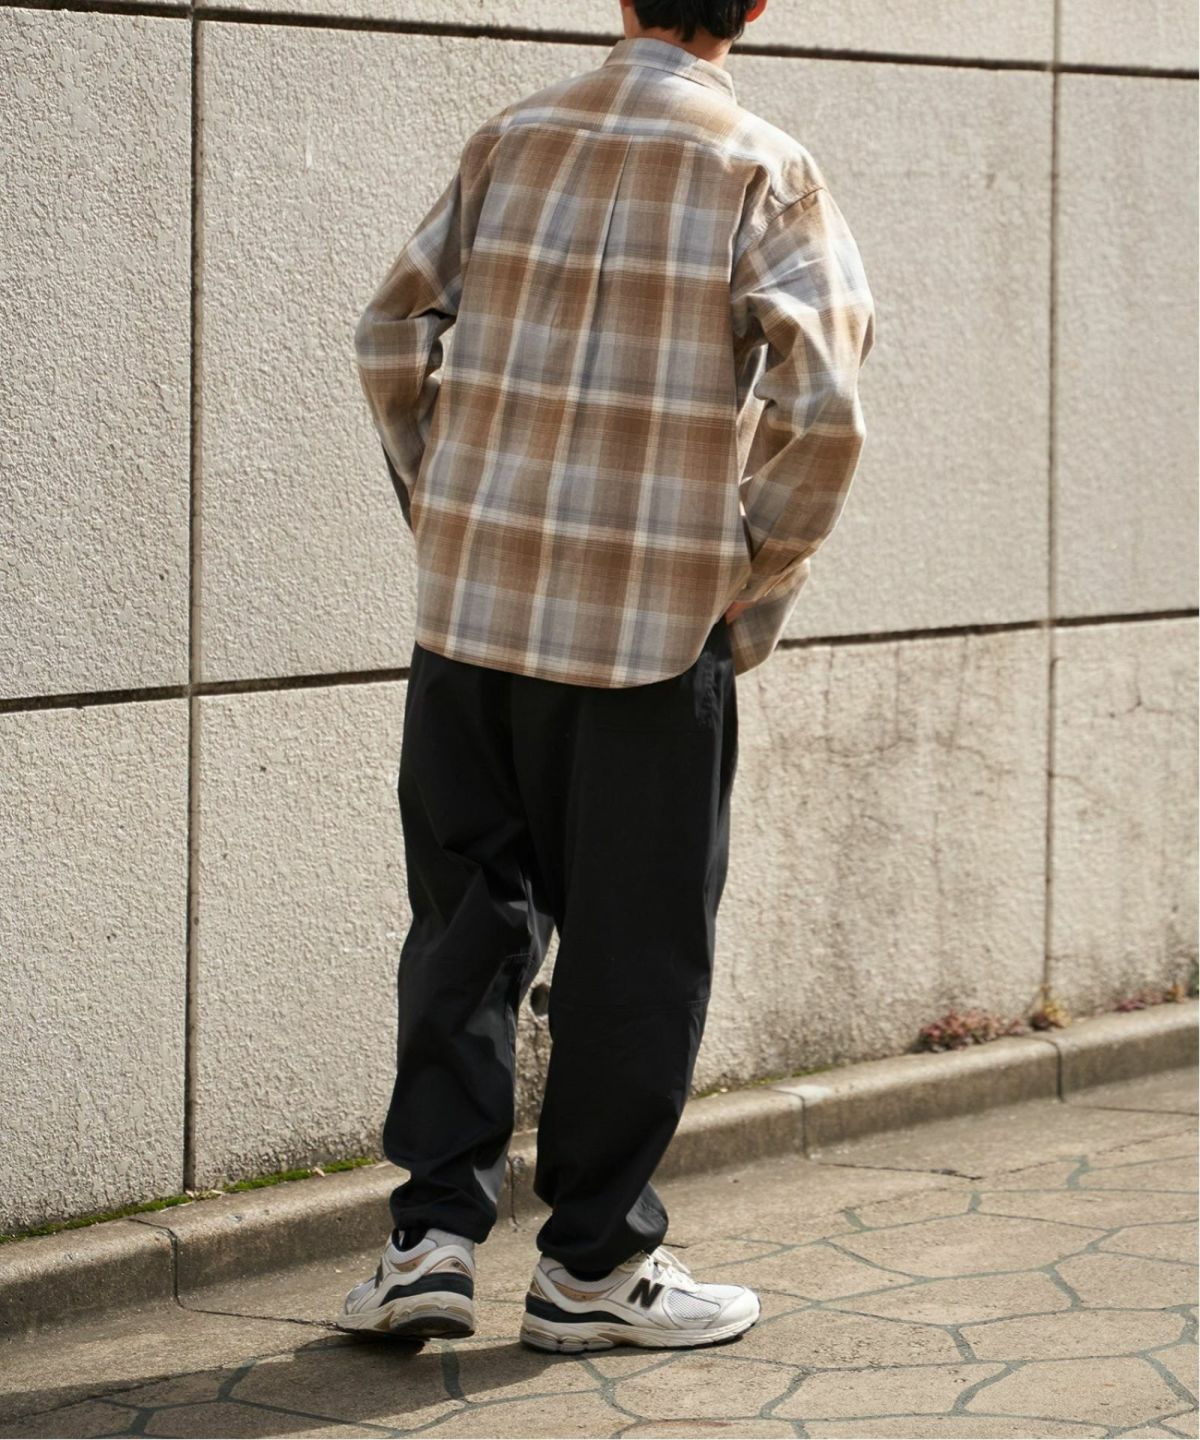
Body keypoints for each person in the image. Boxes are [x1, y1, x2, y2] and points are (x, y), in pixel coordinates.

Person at [339, 0, 875, 1353]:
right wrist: (743, 579)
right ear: (756, 6)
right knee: (637, 951)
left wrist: (446, 509)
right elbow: (824, 409)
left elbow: (393, 332)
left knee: (463, 927)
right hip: (648, 634)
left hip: (473, 620)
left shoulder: (511, 140)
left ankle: (427, 1243)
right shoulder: (764, 170)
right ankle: (591, 1269)